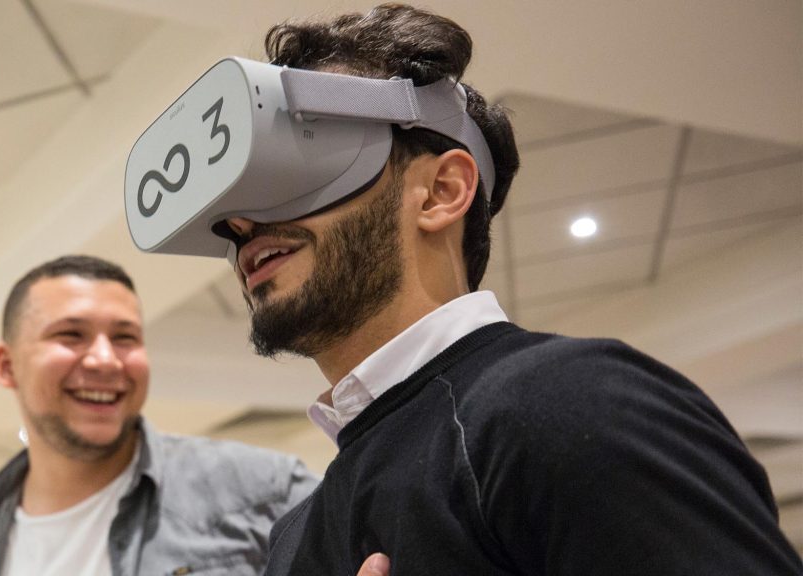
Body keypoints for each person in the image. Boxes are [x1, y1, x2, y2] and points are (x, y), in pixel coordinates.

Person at [218, 4, 802, 575]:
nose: (241, 223)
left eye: (302, 164)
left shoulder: (567, 402)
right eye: (241, 196)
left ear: (443, 190)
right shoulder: (293, 539)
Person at [0, 255, 318, 575]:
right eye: (71, 335)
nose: (105, 359)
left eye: (125, 338)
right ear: (7, 366)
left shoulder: (260, 490)